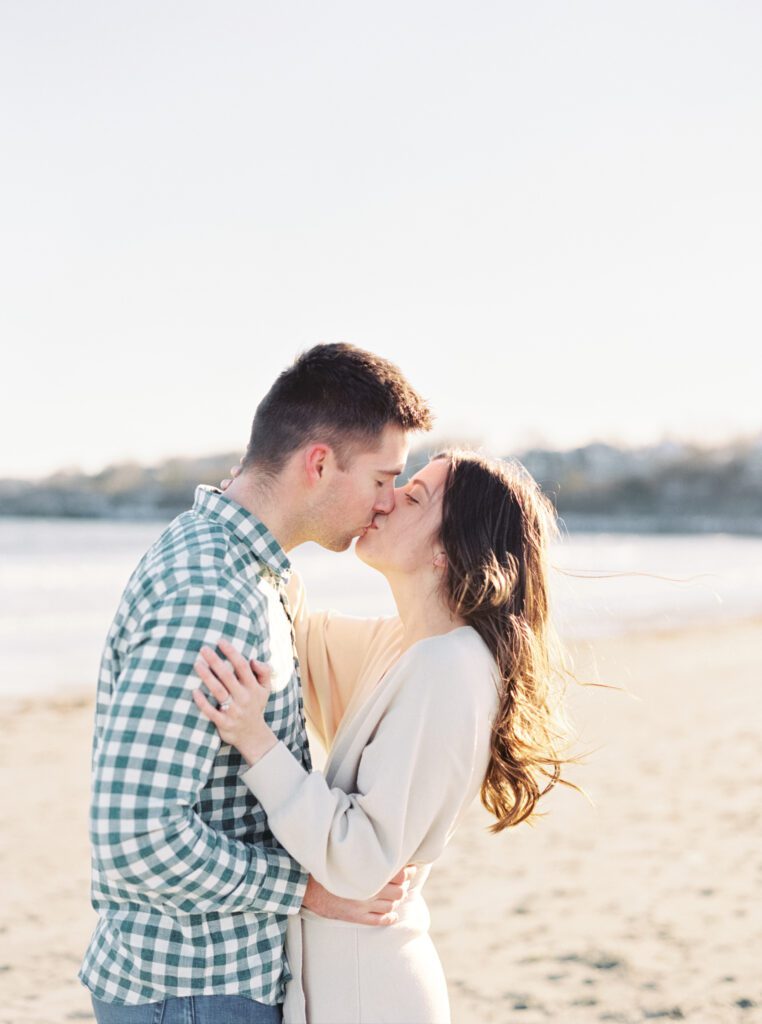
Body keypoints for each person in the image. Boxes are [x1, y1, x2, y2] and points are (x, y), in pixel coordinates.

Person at [79, 343, 434, 1024]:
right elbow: (133, 839)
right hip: (191, 991)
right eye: (384, 478)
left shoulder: (252, 576)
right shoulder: (213, 593)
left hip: (203, 986)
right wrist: (305, 889)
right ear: (320, 463)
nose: (388, 503)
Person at [193, 448, 578, 1023]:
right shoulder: (409, 645)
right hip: (349, 986)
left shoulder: (446, 667)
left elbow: (358, 860)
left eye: (415, 496)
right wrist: (268, 511)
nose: (388, 498)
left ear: (449, 550)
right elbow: (298, 636)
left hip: (366, 996)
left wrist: (256, 742)